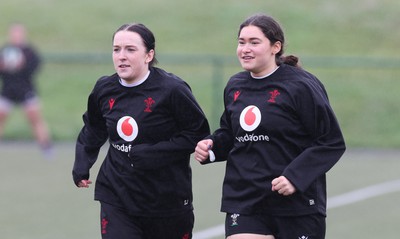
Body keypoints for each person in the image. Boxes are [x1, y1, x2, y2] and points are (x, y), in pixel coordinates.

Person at [195, 13, 346, 239]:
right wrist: (212, 147)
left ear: (276, 47)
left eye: (254, 42)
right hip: (245, 200)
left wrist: (295, 177)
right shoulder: (235, 86)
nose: (245, 49)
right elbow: (231, 133)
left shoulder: (300, 86)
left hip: (296, 205)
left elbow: (330, 141)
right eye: (241, 42)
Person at [72, 23, 210, 239]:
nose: (121, 56)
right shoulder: (104, 89)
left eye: (130, 49)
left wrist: (153, 153)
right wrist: (82, 162)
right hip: (116, 194)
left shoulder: (172, 90)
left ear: (149, 55)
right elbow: (94, 127)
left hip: (167, 200)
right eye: (116, 49)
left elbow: (197, 134)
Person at [0, 23, 52, 153]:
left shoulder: (30, 52)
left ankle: (46, 147)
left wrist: (22, 64)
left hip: (26, 89)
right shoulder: (5, 50)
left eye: (19, 33)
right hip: (7, 90)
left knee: (35, 118)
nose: (16, 36)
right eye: (14, 33)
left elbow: (35, 67)